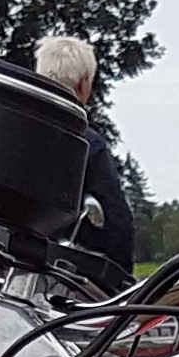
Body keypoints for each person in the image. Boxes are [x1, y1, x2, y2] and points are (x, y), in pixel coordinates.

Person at [33, 34, 135, 279]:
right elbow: (118, 226)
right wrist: (122, 281)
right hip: (56, 272)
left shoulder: (7, 128)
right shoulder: (87, 143)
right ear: (83, 84)